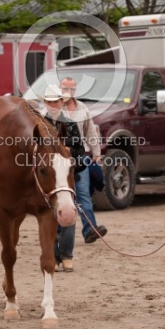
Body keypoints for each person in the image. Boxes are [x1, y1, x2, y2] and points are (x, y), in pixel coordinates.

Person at [40, 84, 84, 272]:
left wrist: (69, 151)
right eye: (49, 102)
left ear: (61, 102)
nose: (52, 105)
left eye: (55, 101)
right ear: (45, 103)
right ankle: (54, 256)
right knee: (49, 217)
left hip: (65, 177)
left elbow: (80, 149)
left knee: (68, 216)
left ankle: (66, 255)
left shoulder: (70, 124)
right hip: (49, 178)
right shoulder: (40, 125)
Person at [60, 76, 108, 244]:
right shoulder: (55, 109)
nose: (68, 92)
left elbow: (90, 131)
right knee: (63, 196)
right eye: (65, 88)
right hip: (61, 161)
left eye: (71, 89)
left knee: (83, 195)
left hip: (80, 158)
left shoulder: (82, 108)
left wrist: (96, 153)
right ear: (60, 89)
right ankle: (58, 233)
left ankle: (90, 230)